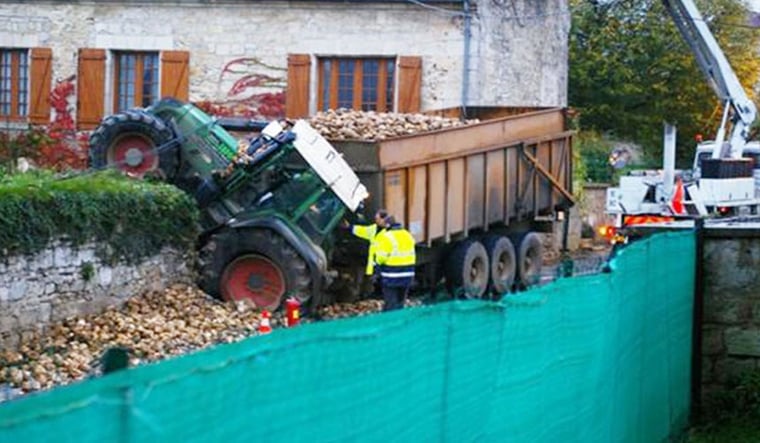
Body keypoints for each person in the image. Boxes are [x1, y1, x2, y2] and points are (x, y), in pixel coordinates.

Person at [348, 210, 416, 311]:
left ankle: (390, 321)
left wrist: (377, 268)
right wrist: (350, 227)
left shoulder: (386, 237)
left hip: (392, 274)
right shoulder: (407, 235)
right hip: (408, 274)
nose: (375, 221)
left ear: (386, 223)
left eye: (377, 219)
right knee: (400, 302)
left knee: (390, 302)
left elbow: (381, 257)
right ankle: (399, 321)